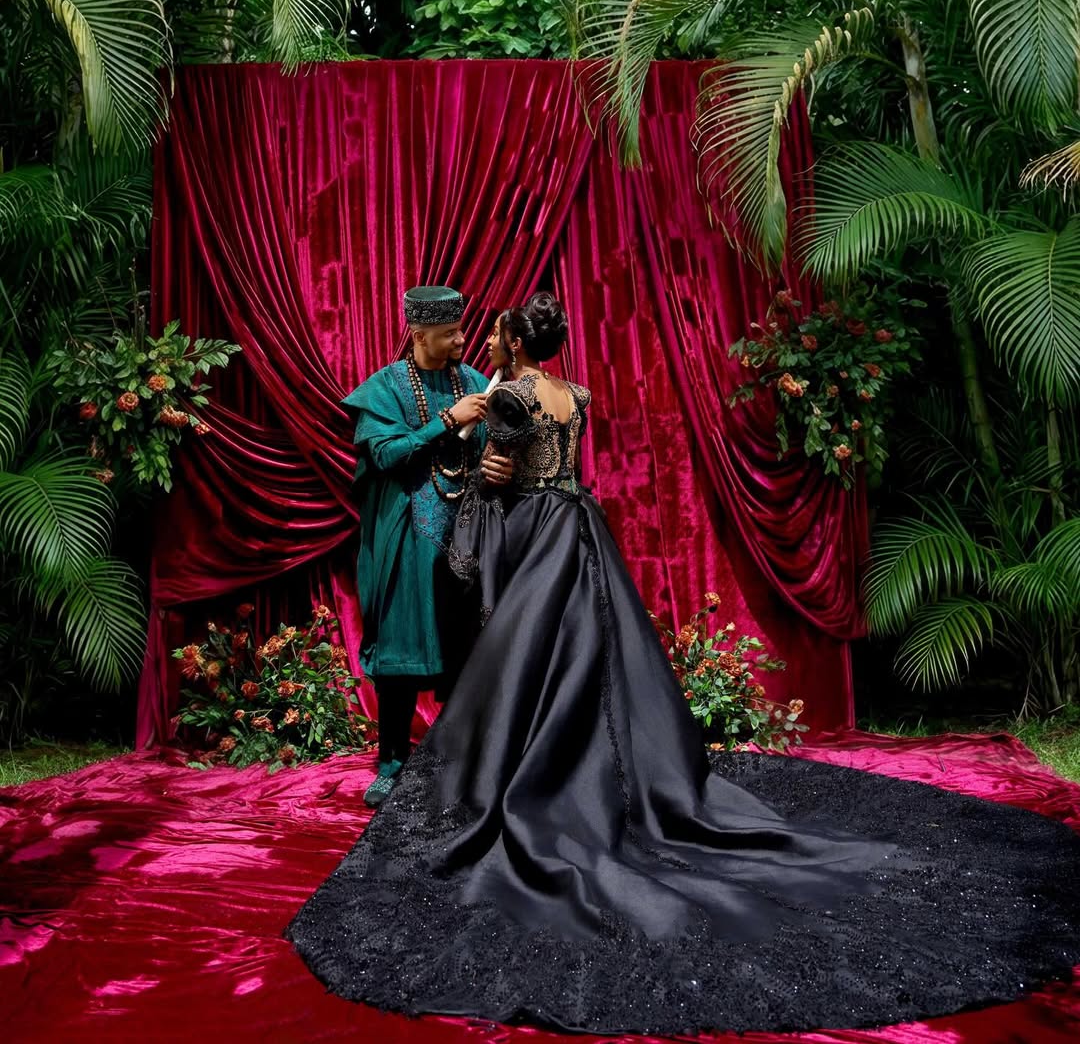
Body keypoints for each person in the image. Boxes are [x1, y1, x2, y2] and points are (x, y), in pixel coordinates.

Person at [291, 292, 1080, 1035]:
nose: (475, 343)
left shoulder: (506, 396)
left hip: (533, 539)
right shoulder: (583, 394)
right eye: (459, 332)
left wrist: (491, 463)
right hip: (581, 530)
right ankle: (590, 765)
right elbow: (435, 452)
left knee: (529, 664)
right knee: (591, 658)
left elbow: (498, 472)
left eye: (487, 333)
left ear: (517, 342)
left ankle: (526, 777)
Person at [340, 285, 510, 807]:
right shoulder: (386, 388)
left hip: (467, 536)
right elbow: (387, 455)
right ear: (419, 335)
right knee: (402, 646)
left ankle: (456, 764)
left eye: (461, 329)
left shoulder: (479, 384)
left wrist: (497, 466)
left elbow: (497, 452)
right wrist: (446, 421)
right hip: (407, 534)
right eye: (450, 333)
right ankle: (391, 761)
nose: (463, 339)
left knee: (464, 649)